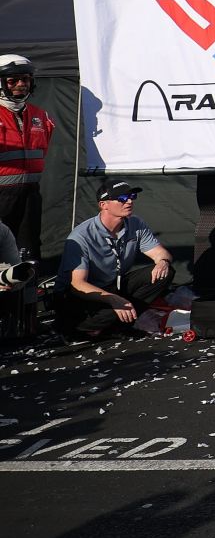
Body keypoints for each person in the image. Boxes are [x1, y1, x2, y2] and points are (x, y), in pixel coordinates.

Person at [56, 181, 174, 336]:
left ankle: (117, 321)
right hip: (83, 294)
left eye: (132, 196)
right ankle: (83, 328)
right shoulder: (81, 236)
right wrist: (114, 300)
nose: (130, 201)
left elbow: (161, 254)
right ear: (104, 204)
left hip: (113, 285)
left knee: (165, 272)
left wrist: (162, 262)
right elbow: (78, 285)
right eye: (123, 198)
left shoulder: (135, 223)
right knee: (112, 307)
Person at [0, 54, 53, 259]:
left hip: (30, 194)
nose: (21, 84)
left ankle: (28, 290)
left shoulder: (41, 116)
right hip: (2, 196)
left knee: (28, 252)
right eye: (13, 80)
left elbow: (42, 152)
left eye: (26, 79)